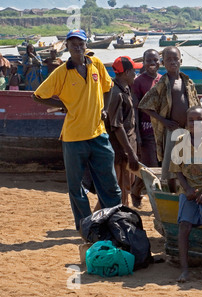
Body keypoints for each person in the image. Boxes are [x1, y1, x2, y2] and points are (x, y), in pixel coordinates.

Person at [32, 29, 122, 231]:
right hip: (73, 138)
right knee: (76, 187)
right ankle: (85, 226)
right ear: (67, 47)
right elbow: (37, 95)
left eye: (81, 43)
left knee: (109, 184)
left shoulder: (96, 64)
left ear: (85, 45)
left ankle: (115, 222)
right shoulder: (61, 72)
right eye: (73, 44)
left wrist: (105, 110)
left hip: (98, 134)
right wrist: (61, 105)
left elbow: (108, 88)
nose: (78, 47)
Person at [169, 106, 202, 282]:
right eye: (191, 120)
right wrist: (188, 190)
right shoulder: (180, 142)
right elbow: (177, 170)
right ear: (186, 123)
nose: (195, 123)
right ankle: (184, 269)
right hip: (189, 190)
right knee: (184, 226)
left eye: (199, 119)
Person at [138, 46, 200, 193]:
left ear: (181, 60)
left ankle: (186, 192)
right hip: (172, 130)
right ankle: (171, 193)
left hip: (188, 129)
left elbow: (195, 102)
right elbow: (144, 105)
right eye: (168, 59)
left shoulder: (188, 82)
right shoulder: (162, 83)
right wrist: (163, 121)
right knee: (171, 165)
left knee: (189, 162)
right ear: (163, 63)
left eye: (175, 59)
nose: (173, 62)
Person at [105, 56, 142, 207]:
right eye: (134, 71)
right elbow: (117, 126)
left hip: (126, 149)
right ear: (126, 72)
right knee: (119, 189)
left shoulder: (125, 89)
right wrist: (130, 153)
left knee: (125, 188)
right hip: (120, 151)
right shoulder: (116, 94)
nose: (136, 74)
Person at [130, 49, 162, 209]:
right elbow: (135, 109)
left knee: (155, 167)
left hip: (160, 132)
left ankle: (136, 190)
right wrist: (138, 134)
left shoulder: (162, 80)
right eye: (149, 60)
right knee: (151, 168)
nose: (152, 64)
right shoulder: (138, 82)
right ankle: (156, 203)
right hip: (146, 130)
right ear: (143, 62)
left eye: (155, 60)